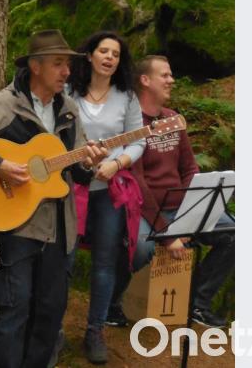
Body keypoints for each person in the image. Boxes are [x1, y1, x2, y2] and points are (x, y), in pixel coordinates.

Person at [0, 29, 107, 368]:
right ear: (35, 65)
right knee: (13, 312)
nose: (66, 72)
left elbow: (76, 173)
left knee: (49, 316)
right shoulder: (6, 104)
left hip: (59, 230)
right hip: (17, 229)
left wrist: (90, 162)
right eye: (58, 64)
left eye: (68, 65)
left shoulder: (69, 110)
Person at [108, 55, 234, 328]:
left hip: (180, 206)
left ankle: (198, 305)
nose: (171, 80)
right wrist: (167, 234)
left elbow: (189, 168)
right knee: (140, 248)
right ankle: (111, 304)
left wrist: (194, 212)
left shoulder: (173, 119)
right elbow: (138, 183)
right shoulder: (130, 125)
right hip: (144, 209)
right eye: (164, 75)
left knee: (233, 234)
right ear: (145, 80)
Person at [65, 31, 145, 365]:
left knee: (105, 262)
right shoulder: (69, 90)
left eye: (115, 53)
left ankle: (95, 330)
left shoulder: (127, 96)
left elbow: (139, 140)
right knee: (64, 260)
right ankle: (52, 330)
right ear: (90, 55)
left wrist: (116, 163)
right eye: (103, 51)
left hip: (108, 191)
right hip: (69, 187)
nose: (109, 57)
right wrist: (77, 158)